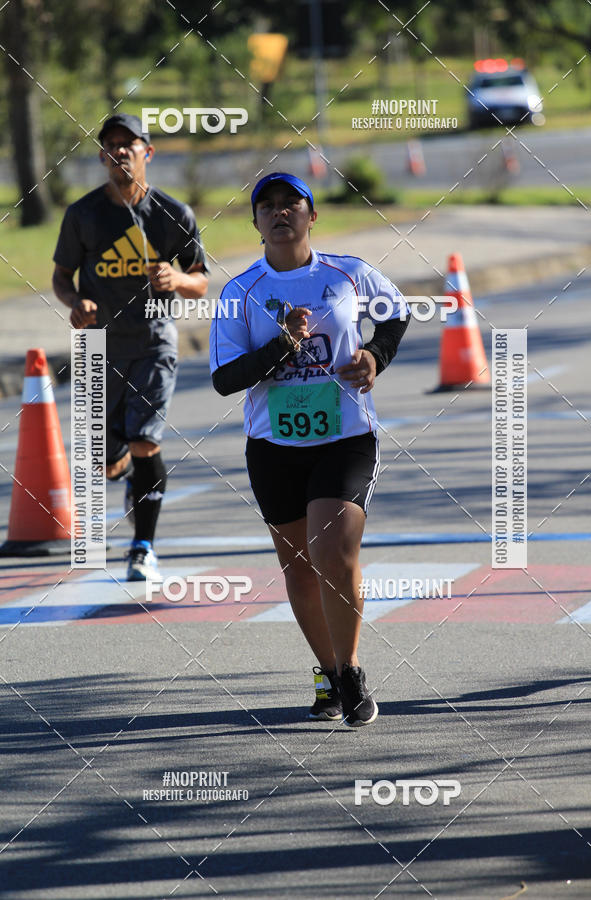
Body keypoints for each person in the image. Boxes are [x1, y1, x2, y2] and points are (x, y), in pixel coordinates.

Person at [209, 172, 410, 726]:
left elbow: (397, 312)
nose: (279, 213)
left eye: (291, 204)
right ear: (255, 223)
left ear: (311, 215)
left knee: (334, 553)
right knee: (298, 569)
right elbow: (226, 379)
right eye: (267, 206)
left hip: (344, 435)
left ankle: (349, 673)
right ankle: (329, 672)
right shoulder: (239, 292)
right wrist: (282, 345)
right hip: (274, 446)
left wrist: (375, 356)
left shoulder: (348, 273)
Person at [53, 113, 209, 580]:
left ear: (148, 152)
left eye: (130, 143)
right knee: (106, 460)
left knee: (145, 441)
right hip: (98, 348)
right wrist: (75, 301)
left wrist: (177, 278)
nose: (120, 150)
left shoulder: (173, 214)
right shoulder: (82, 215)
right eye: (111, 144)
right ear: (102, 156)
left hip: (154, 341)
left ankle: (142, 548)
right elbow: (61, 277)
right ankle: (121, 468)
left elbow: (201, 282)